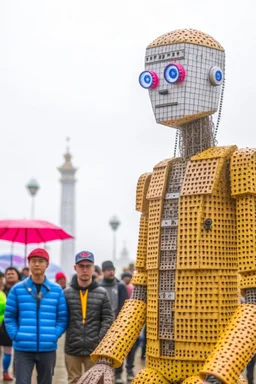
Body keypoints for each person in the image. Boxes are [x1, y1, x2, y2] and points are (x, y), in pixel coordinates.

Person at [4, 248, 68, 384]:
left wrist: (53, 334)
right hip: (23, 348)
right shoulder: (17, 289)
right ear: (29, 264)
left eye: (41, 261)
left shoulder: (56, 290)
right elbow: (9, 317)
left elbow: (62, 318)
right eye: (33, 261)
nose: (37, 264)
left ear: (47, 264)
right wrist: (16, 335)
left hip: (47, 348)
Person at [64, 251, 113, 384]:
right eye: (81, 266)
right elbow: (62, 318)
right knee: (74, 380)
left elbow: (108, 318)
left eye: (88, 266)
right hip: (72, 348)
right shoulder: (66, 293)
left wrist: (99, 339)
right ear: (75, 268)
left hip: (95, 349)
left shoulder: (102, 293)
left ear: (93, 268)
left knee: (96, 381)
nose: (85, 269)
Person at [100, 261, 129, 383]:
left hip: (118, 325)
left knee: (118, 351)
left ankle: (118, 374)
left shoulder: (120, 286)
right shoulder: (99, 287)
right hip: (103, 325)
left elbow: (125, 305)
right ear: (103, 272)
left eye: (112, 269)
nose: (111, 272)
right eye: (108, 270)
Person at [0, 267, 21, 381]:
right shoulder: (2, 291)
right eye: (8, 274)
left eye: (12, 273)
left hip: (19, 326)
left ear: (18, 276)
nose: (10, 275)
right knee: (7, 351)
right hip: (3, 327)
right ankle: (5, 372)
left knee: (17, 353)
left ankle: (17, 373)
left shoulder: (22, 291)